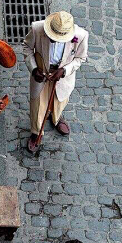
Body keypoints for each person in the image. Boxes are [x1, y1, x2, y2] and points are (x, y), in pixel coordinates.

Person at [23, 11, 89, 152]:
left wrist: (64, 70)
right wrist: (34, 69)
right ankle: (36, 131)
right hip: (41, 72)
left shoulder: (81, 35)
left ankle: (56, 118)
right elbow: (27, 48)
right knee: (38, 104)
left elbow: (80, 58)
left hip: (63, 76)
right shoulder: (37, 28)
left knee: (59, 100)